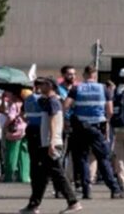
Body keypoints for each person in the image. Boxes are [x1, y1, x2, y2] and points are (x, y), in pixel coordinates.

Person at [64, 65, 124, 199]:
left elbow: (65, 106)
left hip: (80, 128)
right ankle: (114, 189)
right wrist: (105, 121)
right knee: (103, 158)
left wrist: (70, 117)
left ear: (84, 75)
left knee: (82, 159)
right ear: (95, 75)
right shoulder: (104, 89)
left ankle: (86, 191)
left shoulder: (76, 88)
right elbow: (109, 111)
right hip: (97, 127)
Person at [22, 77, 81, 214]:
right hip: (45, 141)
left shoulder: (53, 101)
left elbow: (54, 121)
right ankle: (33, 204)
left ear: (50, 85)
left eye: (42, 84)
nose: (39, 87)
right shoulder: (48, 101)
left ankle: (73, 202)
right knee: (40, 174)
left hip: (48, 142)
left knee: (56, 172)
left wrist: (53, 141)